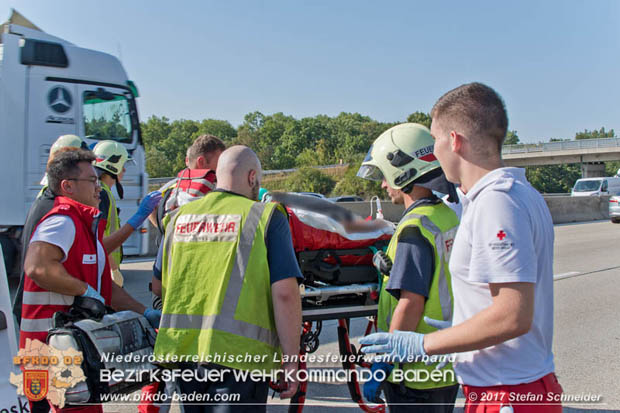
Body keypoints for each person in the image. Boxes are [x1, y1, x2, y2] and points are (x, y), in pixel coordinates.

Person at [360, 83, 562, 412]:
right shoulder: (519, 194)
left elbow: (513, 315)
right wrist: (457, 341)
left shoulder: (497, 203)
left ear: (454, 140)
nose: (435, 154)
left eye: (436, 140)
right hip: (507, 385)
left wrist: (423, 344)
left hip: (506, 392)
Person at [153, 145, 303, 412]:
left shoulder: (177, 219)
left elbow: (159, 285)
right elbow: (285, 294)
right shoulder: (265, 217)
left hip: (187, 356)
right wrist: (291, 361)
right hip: (240, 359)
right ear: (252, 177)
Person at [20, 149, 162, 413]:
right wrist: (84, 290)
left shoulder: (84, 226)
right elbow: (37, 266)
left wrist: (146, 313)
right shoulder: (62, 222)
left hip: (71, 350)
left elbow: (107, 291)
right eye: (92, 181)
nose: (99, 188)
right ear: (68, 186)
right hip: (49, 352)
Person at [356, 123, 460, 412]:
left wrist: (384, 362)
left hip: (414, 372)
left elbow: (411, 303)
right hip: (444, 364)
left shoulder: (414, 229)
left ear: (403, 171)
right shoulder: (446, 218)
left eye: (384, 177)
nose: (382, 185)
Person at [92, 140, 161, 287]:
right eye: (122, 165)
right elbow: (101, 238)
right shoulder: (102, 194)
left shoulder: (101, 191)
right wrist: (113, 269)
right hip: (104, 270)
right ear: (113, 165)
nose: (124, 170)